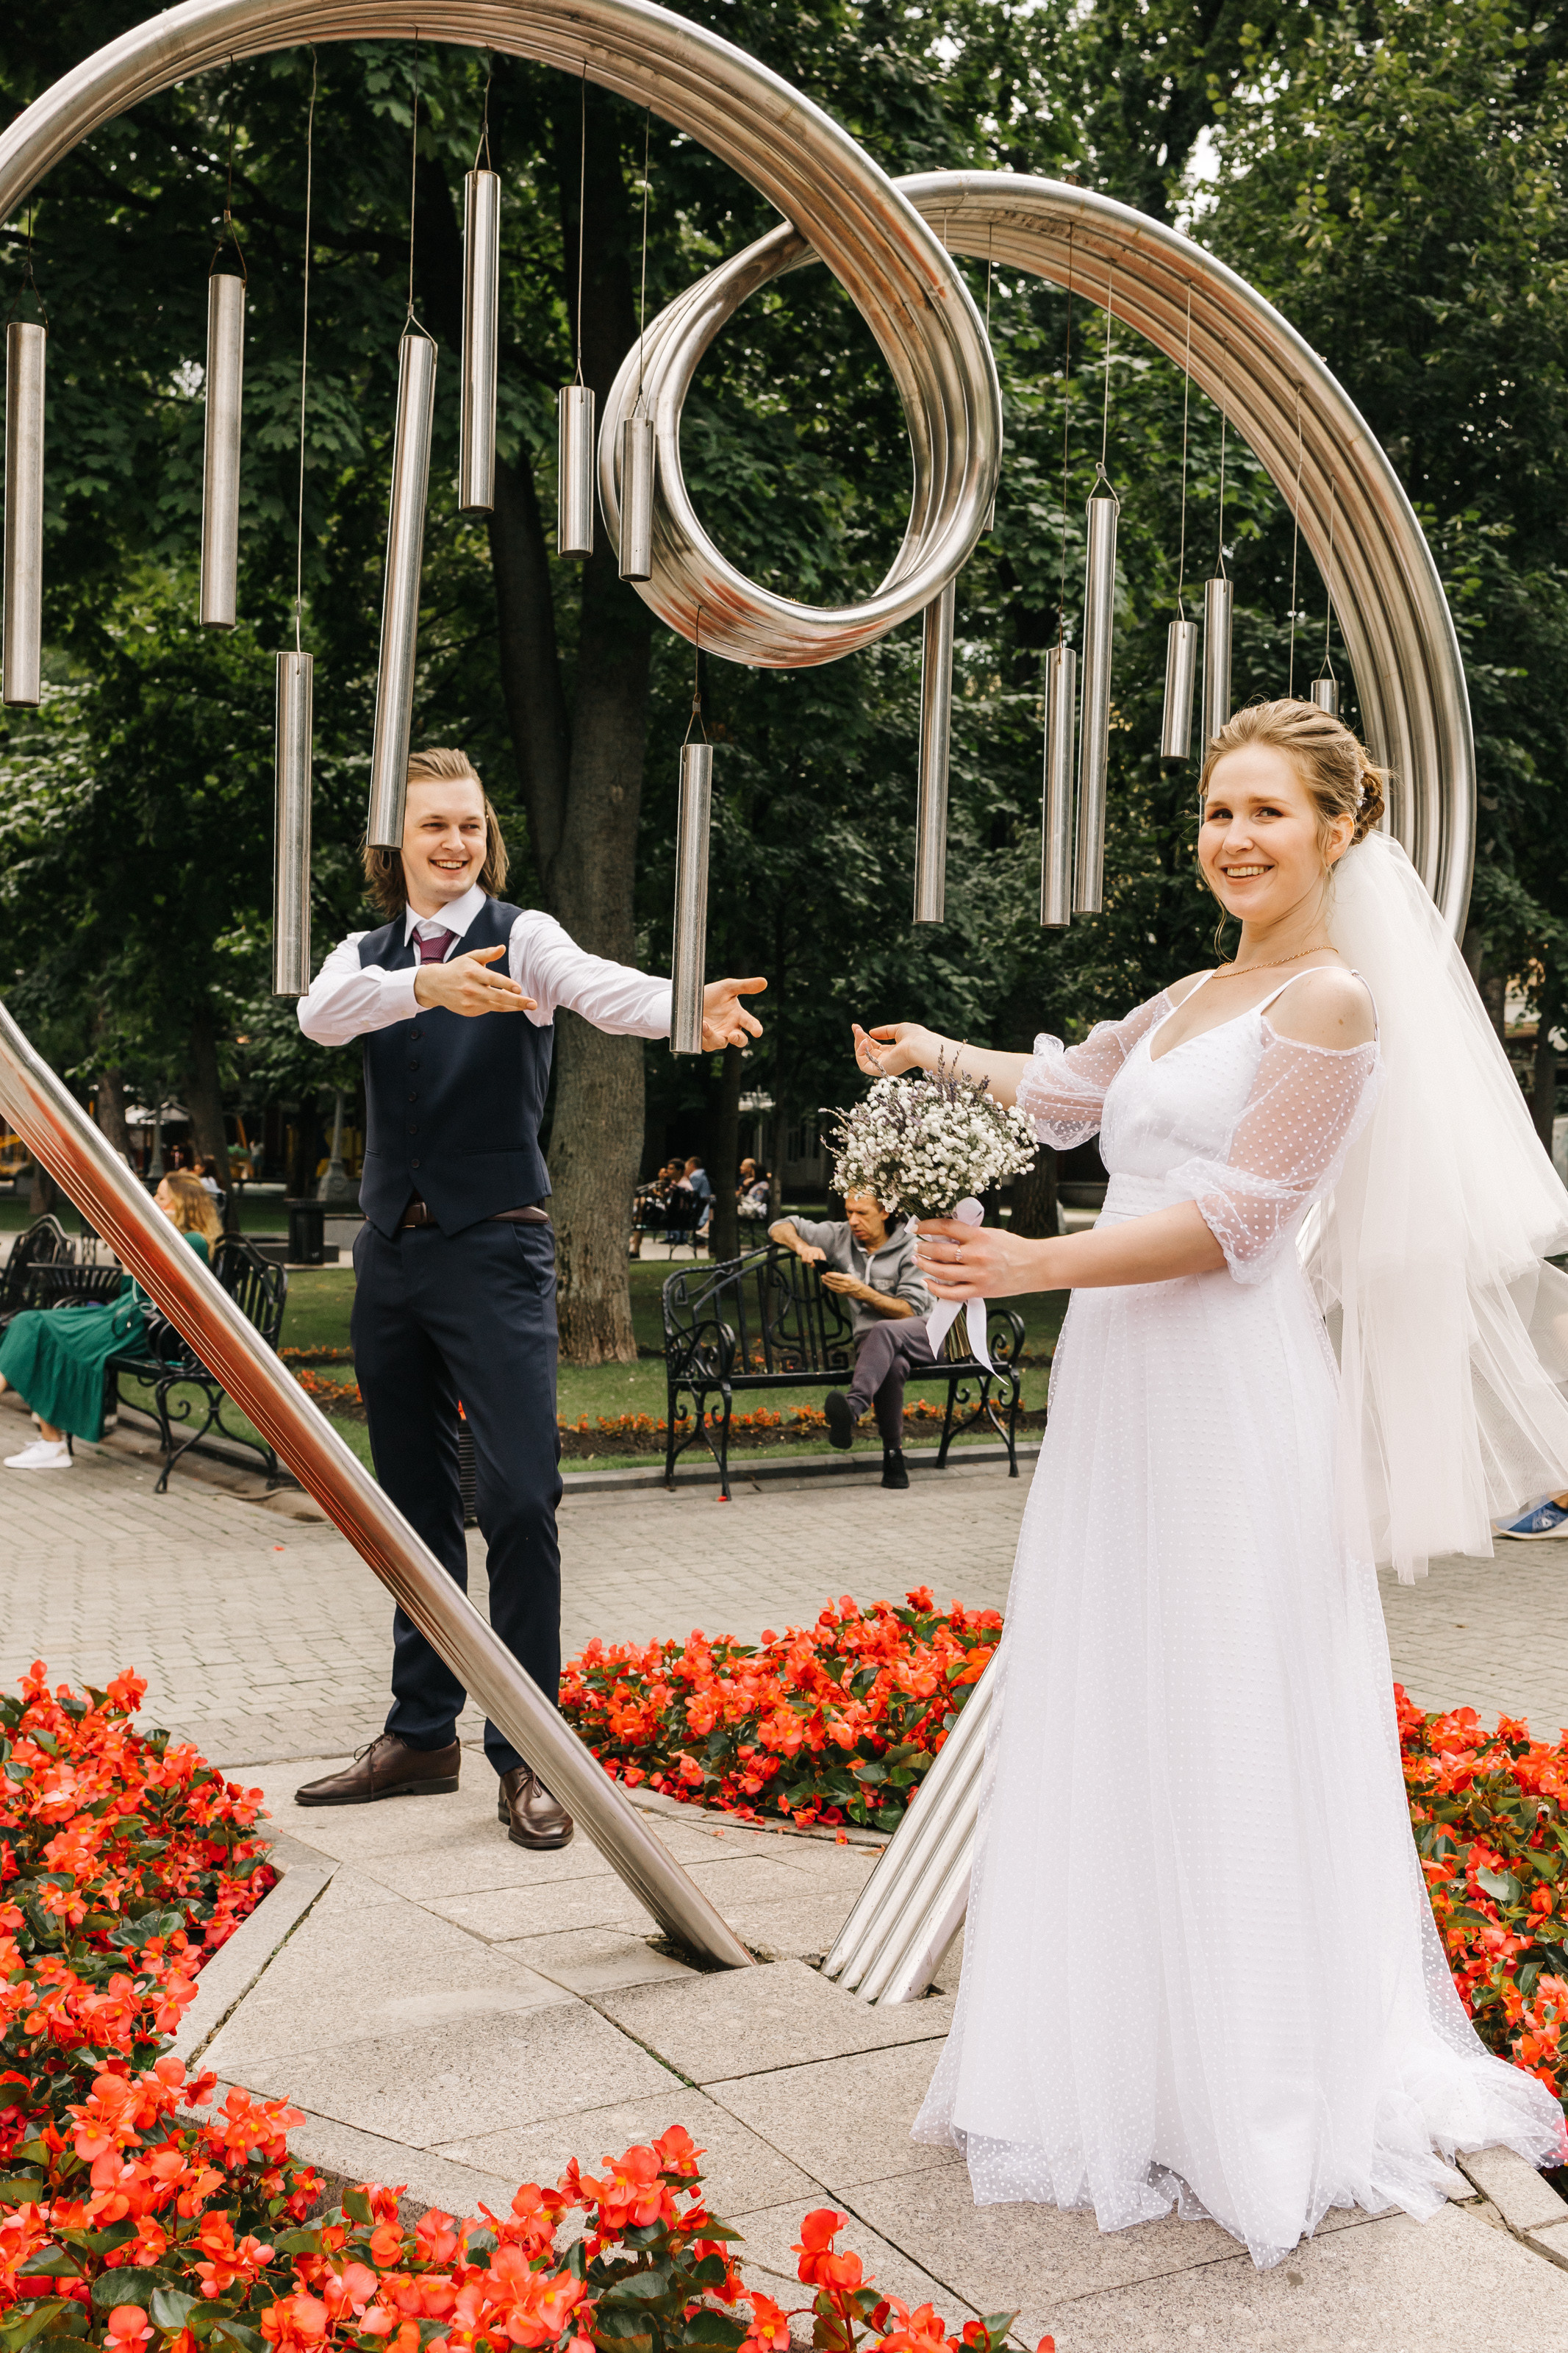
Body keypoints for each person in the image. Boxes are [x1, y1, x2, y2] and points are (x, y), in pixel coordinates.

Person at [854, 700, 1568, 2268]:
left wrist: (1038, 1258)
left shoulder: (1326, 1004)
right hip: (1124, 1390)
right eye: (1215, 813)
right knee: (1119, 1688)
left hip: (1227, 1392)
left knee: (1229, 1698)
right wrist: (933, 1054)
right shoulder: (1194, 990)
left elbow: (1243, 1218)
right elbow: (1066, 1097)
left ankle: (1251, 2081)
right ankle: (1127, 2058)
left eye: (1264, 811)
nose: (1232, 838)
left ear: (1333, 829)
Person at [291, 746, 765, 1849]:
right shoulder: (361, 959)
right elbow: (320, 1016)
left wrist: (683, 1008)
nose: (454, 843)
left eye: (469, 825)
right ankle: (422, 1732)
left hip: (496, 1253)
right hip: (391, 1262)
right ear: (393, 846)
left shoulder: (527, 933)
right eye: (432, 829)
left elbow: (609, 989)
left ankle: (531, 1750)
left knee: (516, 1500)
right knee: (408, 1511)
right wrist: (424, 985)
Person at [0, 1171, 221, 1471]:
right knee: (31, 1322)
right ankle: (51, 1443)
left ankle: (53, 1445)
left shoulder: (192, 1240)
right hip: (125, 1317)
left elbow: (150, 1295)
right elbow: (132, 1290)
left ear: (183, 1205)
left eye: (162, 1198)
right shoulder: (166, 1238)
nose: (154, 1202)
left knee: (37, 1328)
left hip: (145, 1330)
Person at [770, 1190, 932, 1488]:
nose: (853, 1220)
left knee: (883, 1329)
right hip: (876, 1345)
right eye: (849, 1212)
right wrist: (803, 1246)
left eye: (862, 1213)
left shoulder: (913, 1246)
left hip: (928, 1335)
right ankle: (894, 1460)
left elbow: (909, 1310)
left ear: (885, 1211)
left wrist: (860, 1291)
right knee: (893, 1366)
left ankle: (853, 1408)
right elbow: (780, 1226)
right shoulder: (841, 1236)